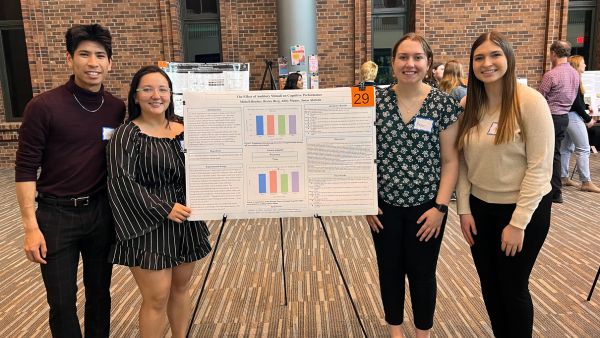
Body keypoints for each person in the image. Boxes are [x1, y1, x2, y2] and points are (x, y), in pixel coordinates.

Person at [15, 24, 125, 337]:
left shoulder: (117, 109)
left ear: (109, 63)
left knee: (100, 295)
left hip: (101, 214)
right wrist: (30, 227)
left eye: (100, 56)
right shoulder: (43, 107)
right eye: (84, 54)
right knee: (62, 302)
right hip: (55, 216)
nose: (93, 62)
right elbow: (25, 169)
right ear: (69, 58)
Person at [456, 31, 554, 338]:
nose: (487, 63)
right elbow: (461, 163)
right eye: (479, 57)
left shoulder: (530, 102)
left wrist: (517, 223)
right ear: (471, 65)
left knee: (513, 287)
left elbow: (540, 169)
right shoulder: (467, 103)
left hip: (523, 210)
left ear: (508, 58)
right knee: (489, 284)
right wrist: (463, 209)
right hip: (480, 210)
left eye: (495, 55)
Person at [365, 33, 461, 338]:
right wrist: (363, 201)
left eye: (417, 57)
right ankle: (395, 331)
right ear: (391, 63)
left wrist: (440, 208)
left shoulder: (443, 105)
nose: (410, 64)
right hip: (383, 206)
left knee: (422, 274)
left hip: (427, 208)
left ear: (429, 63)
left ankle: (423, 333)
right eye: (403, 57)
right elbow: (357, 155)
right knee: (389, 271)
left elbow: (451, 161)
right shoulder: (372, 102)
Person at [106, 66, 211, 338]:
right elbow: (121, 181)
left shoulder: (185, 127)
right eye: (148, 89)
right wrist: (164, 208)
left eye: (163, 89)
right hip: (146, 225)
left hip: (185, 220)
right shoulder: (127, 134)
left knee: (181, 288)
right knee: (156, 298)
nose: (157, 95)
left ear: (170, 94)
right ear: (135, 96)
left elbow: (210, 163)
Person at [538, 40, 580, 203]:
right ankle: (556, 191)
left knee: (543, 154)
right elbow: (575, 96)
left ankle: (548, 190)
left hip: (549, 117)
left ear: (553, 53)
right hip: (564, 117)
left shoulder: (551, 75)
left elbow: (539, 99)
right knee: (556, 153)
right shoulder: (575, 73)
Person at [560, 55, 600, 192]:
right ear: (577, 65)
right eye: (583, 63)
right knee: (583, 148)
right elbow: (575, 103)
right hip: (573, 117)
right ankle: (586, 182)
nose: (585, 66)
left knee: (566, 148)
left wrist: (587, 105)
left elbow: (577, 101)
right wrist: (588, 119)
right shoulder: (575, 79)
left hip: (566, 115)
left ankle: (563, 177)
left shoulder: (570, 78)